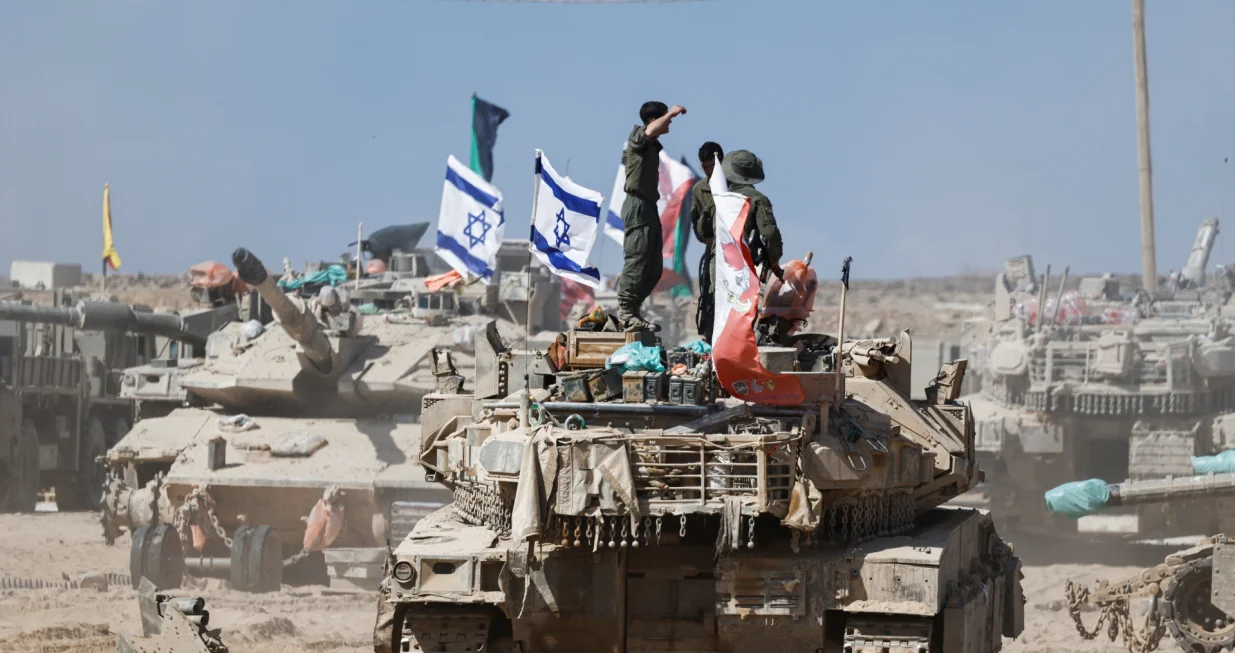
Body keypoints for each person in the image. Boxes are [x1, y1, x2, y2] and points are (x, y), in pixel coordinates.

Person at [617, 100, 687, 331]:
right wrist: (673, 114)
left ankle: (634, 310)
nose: (669, 124)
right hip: (637, 205)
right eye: (664, 119)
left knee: (653, 266)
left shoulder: (651, 145)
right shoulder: (639, 136)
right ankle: (626, 311)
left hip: (648, 206)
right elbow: (649, 131)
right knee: (637, 258)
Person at [722, 150, 783, 279]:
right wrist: (774, 259)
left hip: (721, 264)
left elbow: (702, 230)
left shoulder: (718, 199)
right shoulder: (758, 200)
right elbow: (770, 234)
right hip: (749, 265)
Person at [690, 142, 723, 342]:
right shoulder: (699, 190)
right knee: (711, 294)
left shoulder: (734, 185)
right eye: (704, 167)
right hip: (713, 251)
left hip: (736, 252)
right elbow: (695, 221)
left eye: (711, 166)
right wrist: (706, 240)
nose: (708, 171)